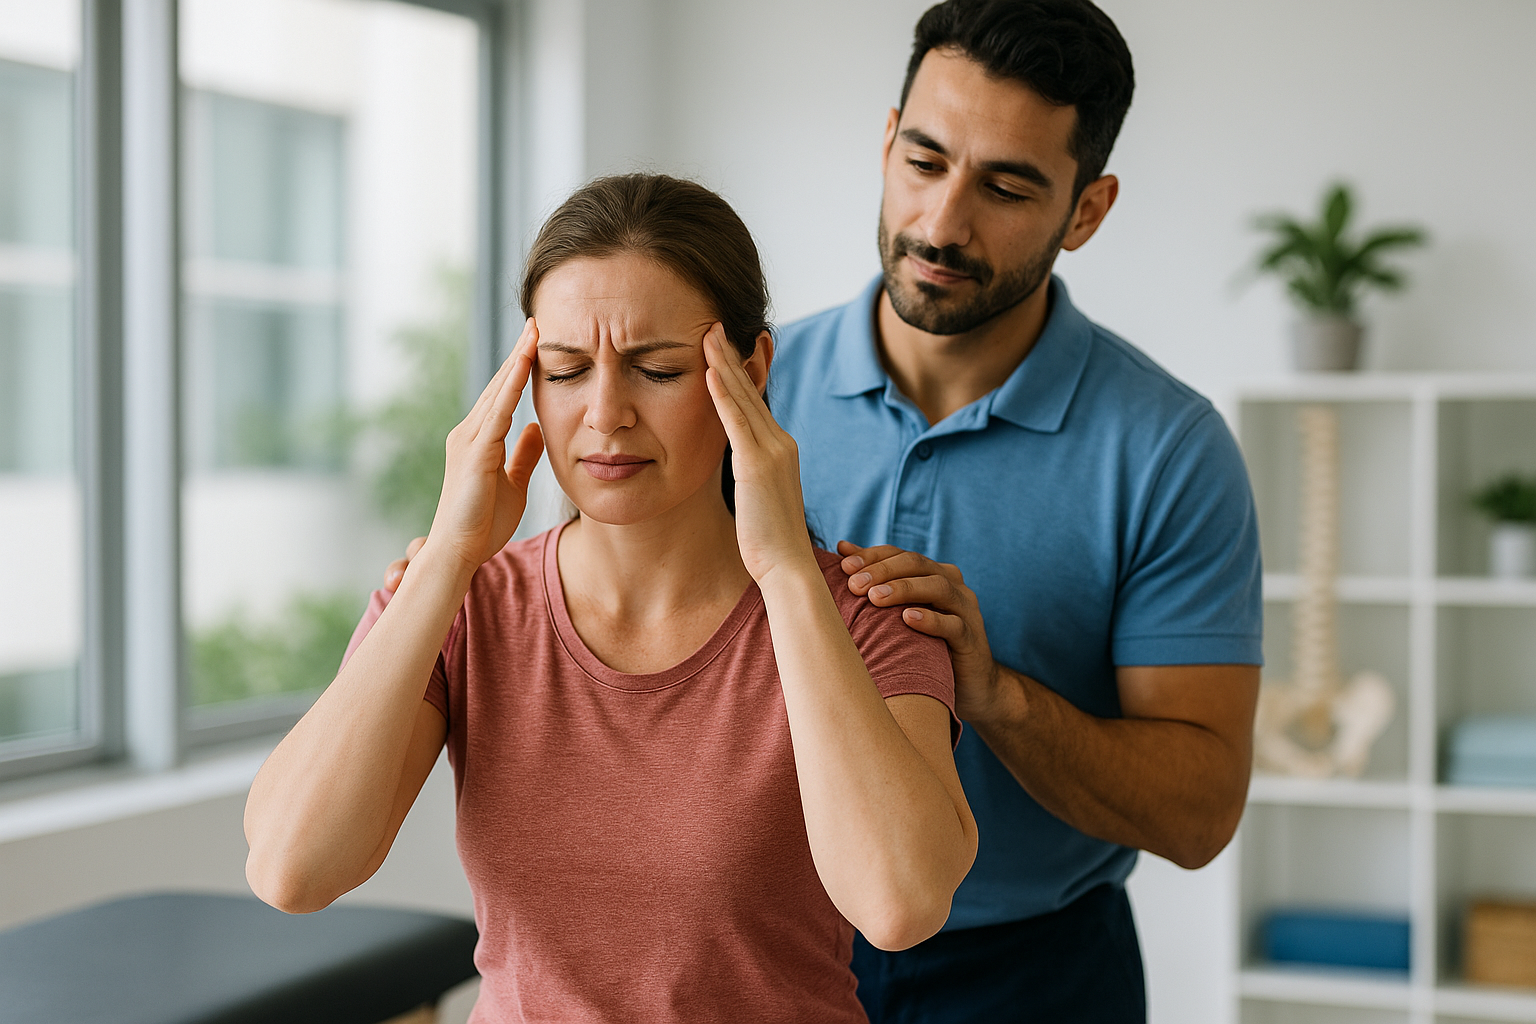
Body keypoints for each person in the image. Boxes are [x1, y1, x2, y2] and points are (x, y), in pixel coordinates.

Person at [385, 0, 1264, 1020]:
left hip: (1028, 971)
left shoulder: (1168, 451)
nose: (943, 222)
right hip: (752, 958)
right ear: (886, 142)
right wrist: (440, 592)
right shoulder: (718, 389)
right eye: (925, 161)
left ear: (1088, 209)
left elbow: (1198, 814)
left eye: (1008, 185)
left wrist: (998, 695)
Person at [244, 174, 978, 1024]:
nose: (604, 415)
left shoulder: (863, 616)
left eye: (656, 370)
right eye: (563, 371)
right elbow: (292, 870)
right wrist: (449, 554)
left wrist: (785, 575)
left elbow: (900, 905)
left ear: (750, 369)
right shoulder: (463, 606)